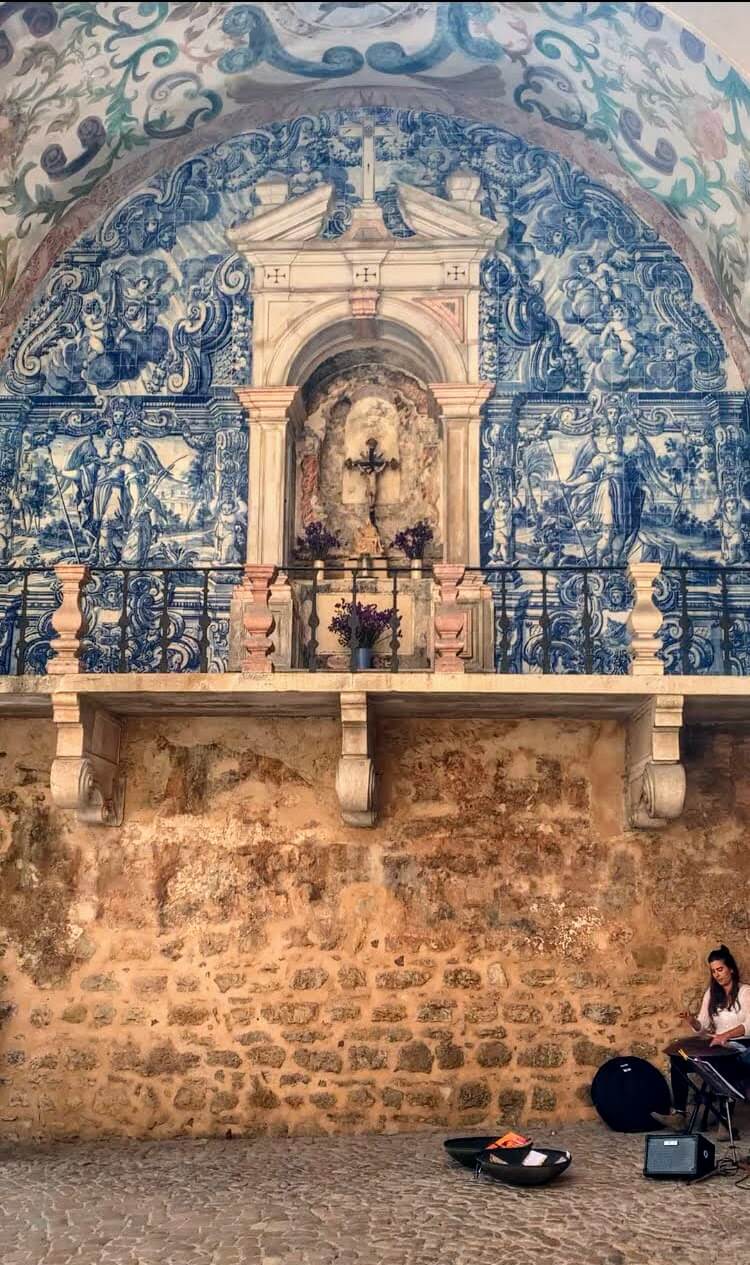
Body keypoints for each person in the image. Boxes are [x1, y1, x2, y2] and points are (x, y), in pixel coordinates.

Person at [652, 945, 750, 1137]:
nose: (717, 975)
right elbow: (703, 1027)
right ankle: (680, 1115)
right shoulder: (712, 994)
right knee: (678, 1057)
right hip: (717, 1045)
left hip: (740, 1045)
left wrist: (725, 1035)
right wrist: (692, 1021)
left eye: (720, 969)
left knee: (725, 1063)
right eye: (713, 971)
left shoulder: (746, 992)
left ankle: (724, 1122)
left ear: (731, 968)